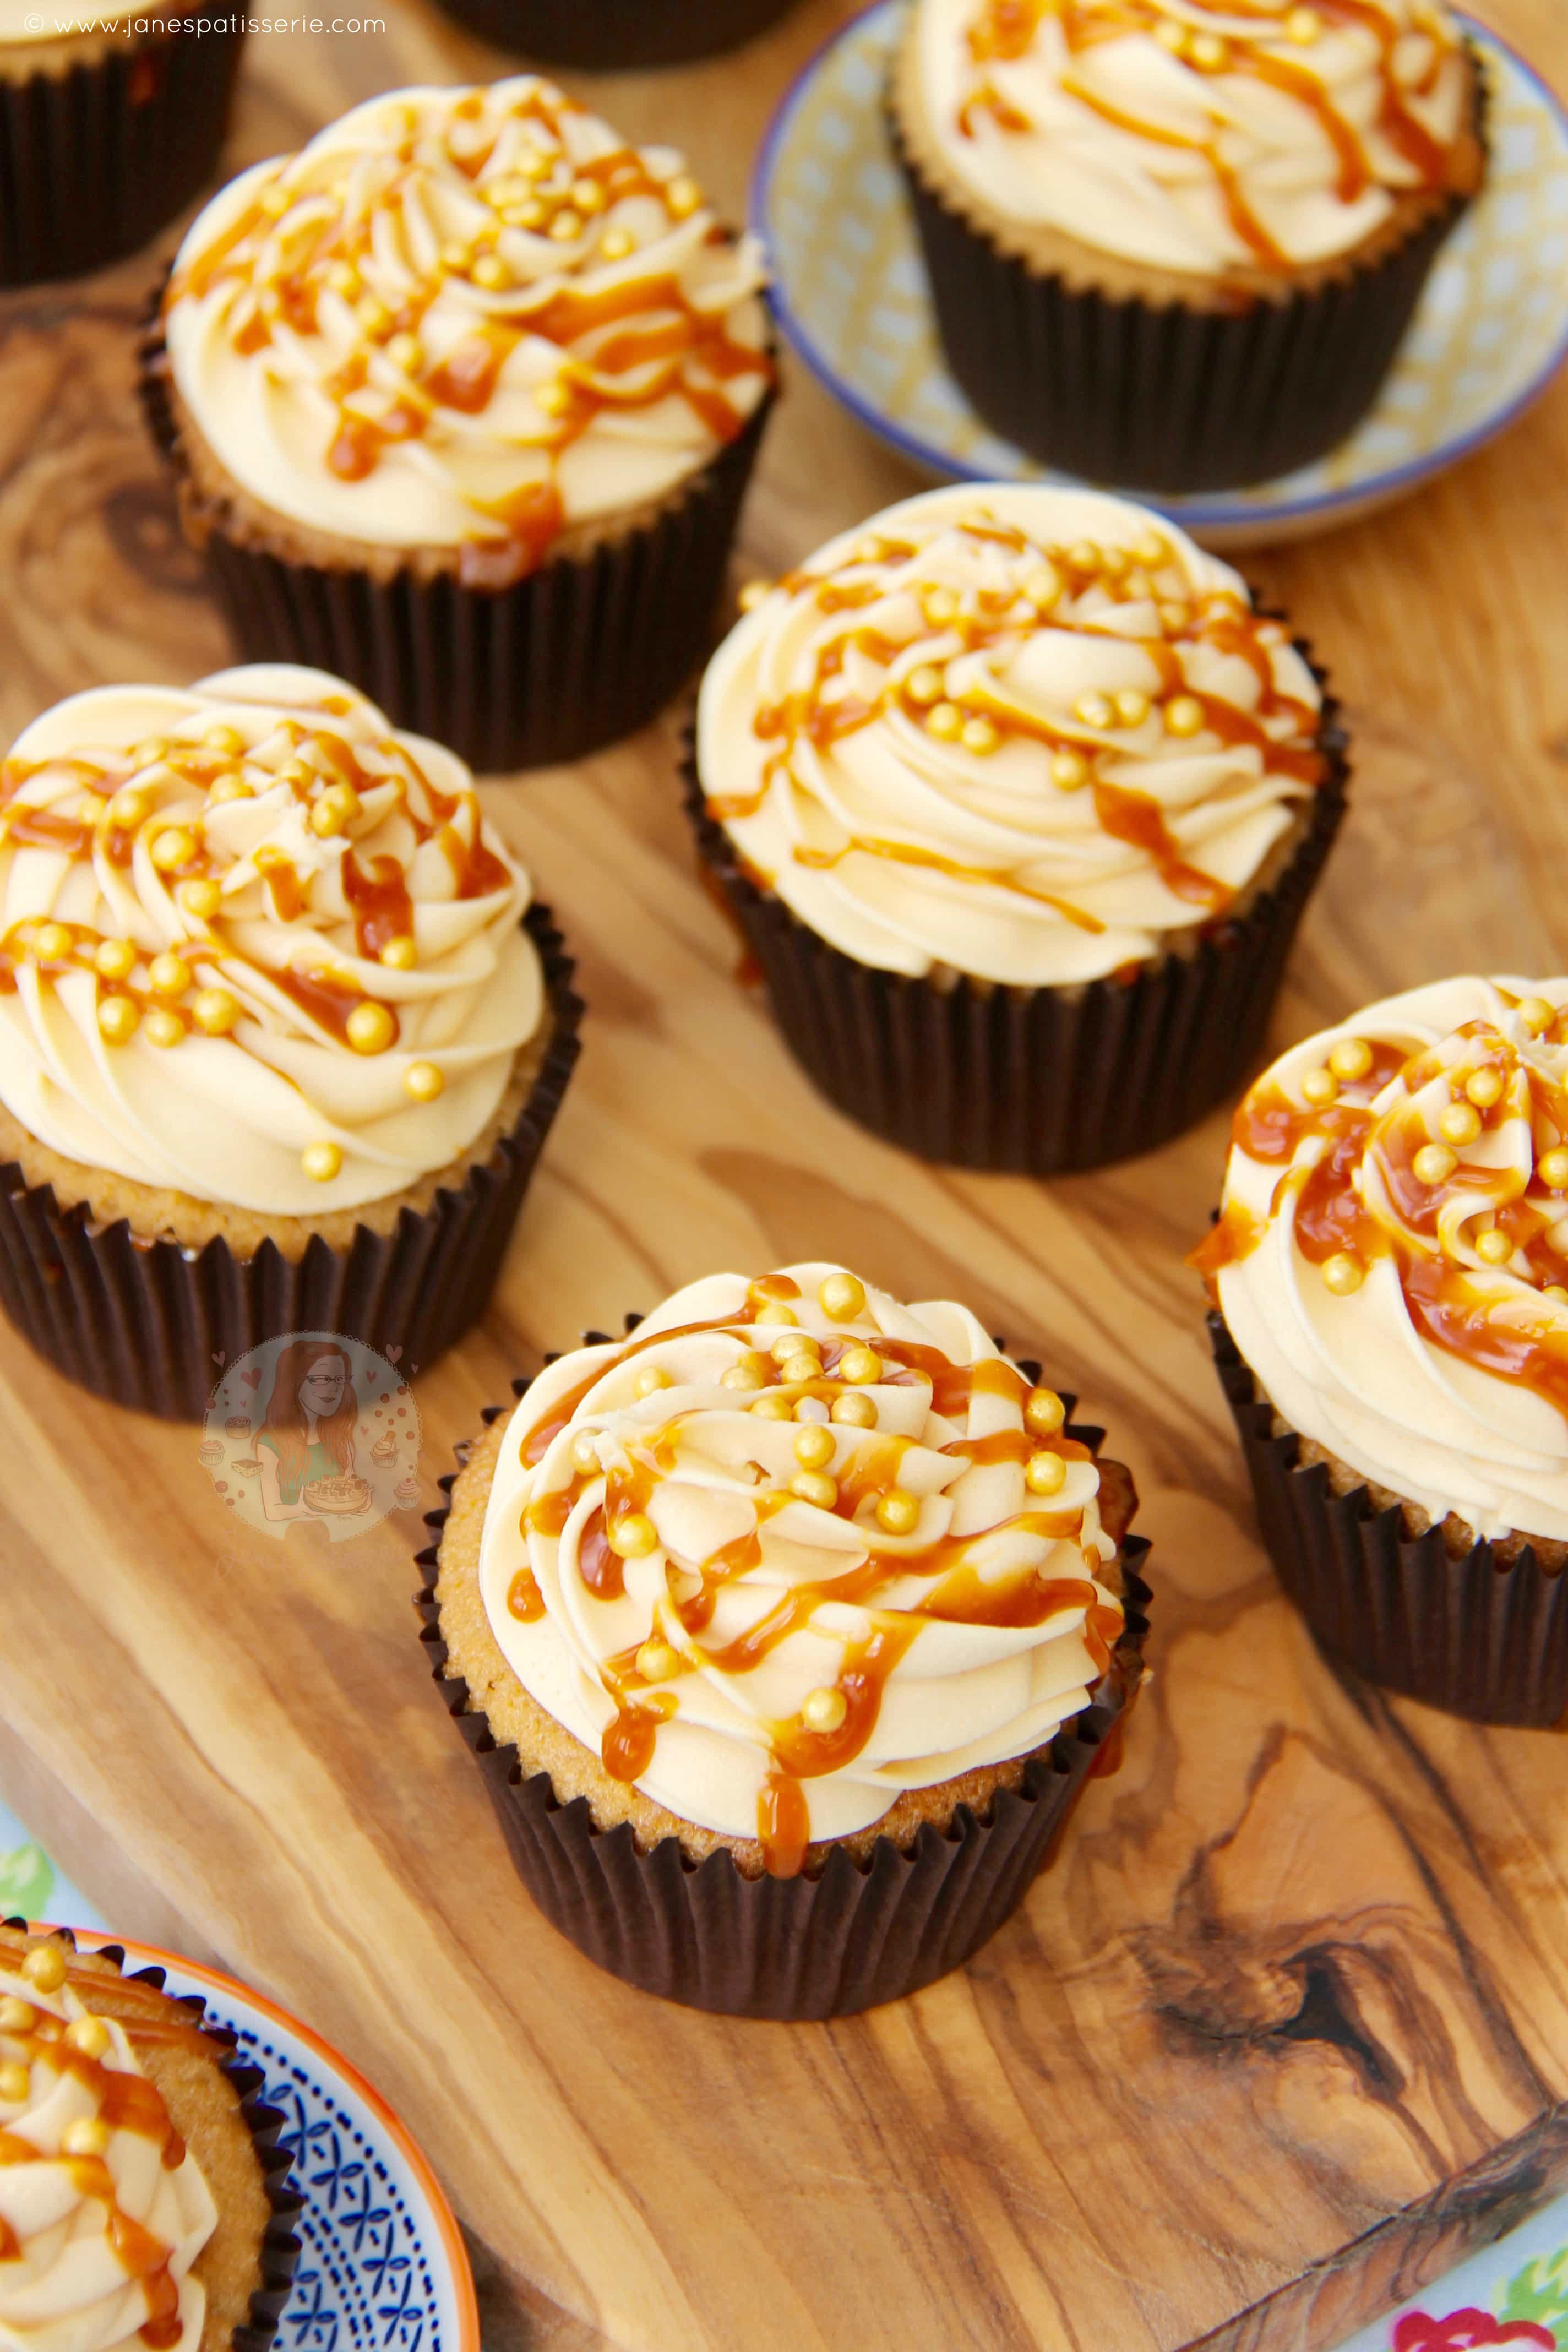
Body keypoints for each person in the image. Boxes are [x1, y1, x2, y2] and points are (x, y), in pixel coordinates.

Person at [255, 1339, 367, 1522]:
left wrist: (360, 1503)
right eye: (323, 1378)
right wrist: (304, 1509)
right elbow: (272, 1511)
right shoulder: (270, 1442)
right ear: (294, 1380)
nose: (334, 1388)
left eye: (340, 1379)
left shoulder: (339, 1437)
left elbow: (351, 1489)